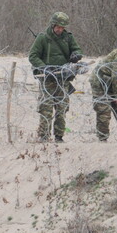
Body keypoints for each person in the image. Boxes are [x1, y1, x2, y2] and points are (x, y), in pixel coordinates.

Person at [28, 12, 82, 142]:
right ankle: (44, 136)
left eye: (62, 27)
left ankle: (59, 136)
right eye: (58, 27)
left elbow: (77, 49)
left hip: (63, 78)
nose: (60, 29)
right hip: (47, 79)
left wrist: (76, 55)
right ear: (53, 25)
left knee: (61, 108)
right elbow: (33, 56)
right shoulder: (43, 38)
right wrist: (44, 68)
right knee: (46, 108)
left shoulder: (68, 38)